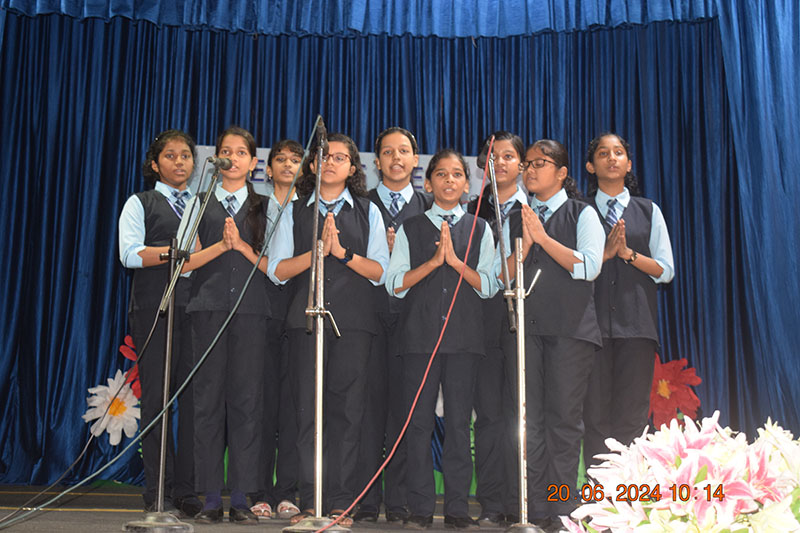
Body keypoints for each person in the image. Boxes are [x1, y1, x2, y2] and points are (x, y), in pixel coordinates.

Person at [267, 132, 390, 527]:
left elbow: (381, 272)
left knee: (348, 414)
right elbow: (277, 270)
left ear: (353, 168)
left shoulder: (369, 211)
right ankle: (310, 501)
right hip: (305, 322)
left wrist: (342, 253)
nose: (331, 163)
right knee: (308, 414)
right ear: (313, 165)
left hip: (353, 326)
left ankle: (341, 502)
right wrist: (317, 252)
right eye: (324, 156)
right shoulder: (294, 210)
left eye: (340, 157)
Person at [386, 149, 496, 530]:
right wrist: (433, 263)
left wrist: (456, 263)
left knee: (459, 425)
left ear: (467, 185)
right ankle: (419, 508)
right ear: (428, 182)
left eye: (457, 175)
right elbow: (394, 283)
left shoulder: (481, 229)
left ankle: (457, 509)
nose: (449, 181)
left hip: (464, 341)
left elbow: (489, 285)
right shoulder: (411, 227)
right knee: (417, 425)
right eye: (441, 174)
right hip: (419, 340)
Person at [498, 139, 604, 531]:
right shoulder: (514, 217)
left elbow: (589, 266)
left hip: (570, 332)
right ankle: (534, 510)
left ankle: (562, 512)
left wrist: (543, 239)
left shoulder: (582, 213)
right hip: (526, 331)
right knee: (530, 423)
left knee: (563, 422)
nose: (529, 170)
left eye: (539, 163)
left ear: (561, 172)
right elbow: (500, 277)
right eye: (526, 164)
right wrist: (524, 247)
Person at [180, 125, 272, 525]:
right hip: (208, 310)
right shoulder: (198, 204)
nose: (232, 158)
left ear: (254, 163)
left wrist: (243, 248)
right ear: (215, 159)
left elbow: (275, 266)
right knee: (208, 405)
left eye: (241, 152)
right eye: (226, 151)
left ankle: (240, 498)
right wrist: (221, 245)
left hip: (251, 313)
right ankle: (211, 499)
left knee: (246, 404)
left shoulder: (266, 206)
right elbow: (184, 263)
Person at [118, 129, 201, 518]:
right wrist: (172, 252)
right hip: (156, 309)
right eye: (170, 155)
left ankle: (186, 489)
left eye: (185, 155)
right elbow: (129, 254)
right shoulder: (141, 202)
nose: (179, 162)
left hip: (198, 309)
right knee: (157, 400)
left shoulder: (202, 204)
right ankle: (158, 489)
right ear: (154, 164)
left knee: (196, 402)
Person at [581, 133, 675, 468]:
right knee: (594, 416)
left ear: (629, 164)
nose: (611, 158)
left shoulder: (648, 211)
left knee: (632, 418)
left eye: (618, 152)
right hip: (588, 329)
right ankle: (596, 495)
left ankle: (627, 493)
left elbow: (665, 270)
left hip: (637, 328)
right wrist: (604, 255)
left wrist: (628, 254)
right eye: (603, 153)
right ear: (590, 166)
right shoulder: (579, 210)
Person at [354, 127, 430, 524]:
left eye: (404, 151)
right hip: (367, 319)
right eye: (388, 152)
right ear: (376, 161)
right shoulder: (358, 205)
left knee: (405, 414)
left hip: (414, 323)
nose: (396, 158)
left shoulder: (432, 206)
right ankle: (366, 500)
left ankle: (398, 501)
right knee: (367, 412)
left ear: (416, 160)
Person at [466, 131, 529, 526]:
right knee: (488, 415)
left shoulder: (537, 209)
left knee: (521, 415)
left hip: (530, 324)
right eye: (492, 157)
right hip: (482, 322)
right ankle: (492, 503)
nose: (500, 163)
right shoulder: (469, 212)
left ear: (522, 164)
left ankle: (524, 501)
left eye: (508, 156)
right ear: (481, 165)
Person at [248, 140, 304, 520]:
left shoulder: (312, 210)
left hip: (299, 312)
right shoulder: (255, 210)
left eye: (295, 160)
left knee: (294, 407)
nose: (287, 165)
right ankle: (259, 492)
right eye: (280, 159)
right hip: (261, 312)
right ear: (267, 170)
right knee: (261, 406)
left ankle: (287, 491)